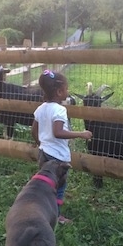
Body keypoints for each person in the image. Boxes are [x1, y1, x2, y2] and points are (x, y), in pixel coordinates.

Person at [32, 69, 92, 223]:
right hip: (57, 158)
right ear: (59, 92)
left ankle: (41, 211)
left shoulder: (41, 108)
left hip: (43, 154)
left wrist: (41, 144)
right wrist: (80, 134)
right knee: (58, 188)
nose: (68, 91)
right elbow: (58, 132)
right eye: (66, 88)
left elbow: (34, 130)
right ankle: (56, 216)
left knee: (45, 185)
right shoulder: (60, 110)